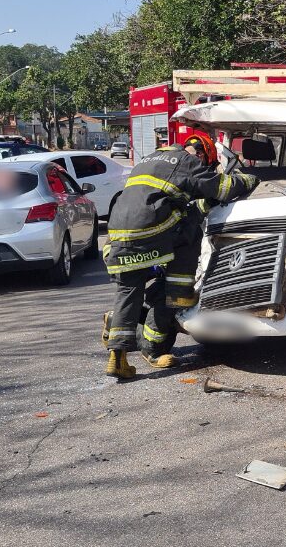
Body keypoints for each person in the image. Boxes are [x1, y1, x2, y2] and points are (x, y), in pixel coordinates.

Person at [101, 132, 259, 378]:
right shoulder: (186, 161)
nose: (204, 167)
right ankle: (178, 289)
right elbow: (222, 188)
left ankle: (117, 358)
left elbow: (168, 197)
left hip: (117, 235)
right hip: (152, 231)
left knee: (128, 291)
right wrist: (248, 179)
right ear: (200, 153)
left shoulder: (148, 160)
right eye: (206, 163)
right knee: (188, 239)